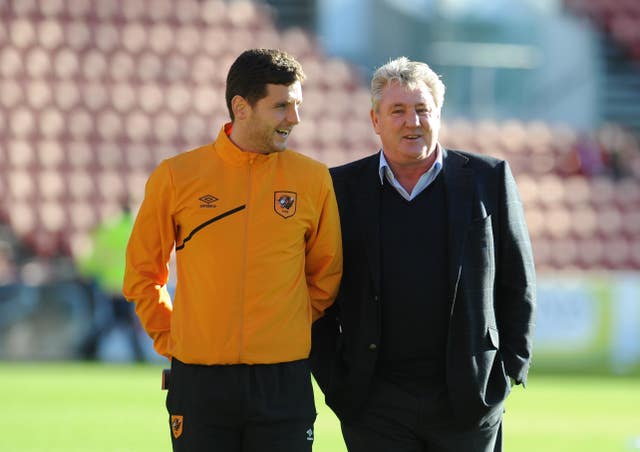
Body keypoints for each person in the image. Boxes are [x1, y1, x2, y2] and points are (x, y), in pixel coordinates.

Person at [311, 57, 536, 452]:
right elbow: (317, 288)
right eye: (397, 111)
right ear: (375, 120)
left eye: (421, 110)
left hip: (468, 398)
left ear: (438, 114)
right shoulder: (338, 187)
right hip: (374, 402)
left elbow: (517, 279)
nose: (411, 122)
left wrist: (511, 366)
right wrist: (335, 380)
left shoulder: (488, 178)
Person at [123, 48, 342, 452]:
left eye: (297, 106)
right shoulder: (176, 176)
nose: (295, 119)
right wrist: (174, 338)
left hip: (284, 381)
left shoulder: (314, 180)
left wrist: (282, 327)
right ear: (241, 107)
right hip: (199, 381)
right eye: (281, 106)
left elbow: (325, 277)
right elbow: (142, 273)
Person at [77, 203, 145, 361]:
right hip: (129, 285)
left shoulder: (107, 230)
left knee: (110, 322)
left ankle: (87, 350)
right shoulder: (136, 229)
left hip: (108, 286)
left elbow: (94, 259)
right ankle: (138, 355)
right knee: (127, 323)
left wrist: (87, 271)